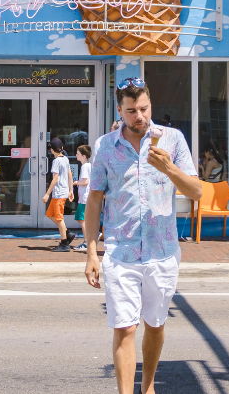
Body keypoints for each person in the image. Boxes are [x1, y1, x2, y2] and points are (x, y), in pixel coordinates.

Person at [84, 78, 202, 394]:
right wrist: (92, 252)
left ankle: (147, 386)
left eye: (145, 108)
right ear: (120, 111)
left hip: (162, 252)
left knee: (155, 325)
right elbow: (95, 199)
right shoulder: (105, 146)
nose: (140, 116)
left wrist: (169, 169)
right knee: (124, 328)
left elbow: (196, 191)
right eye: (132, 110)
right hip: (121, 253)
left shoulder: (172, 140)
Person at [42, 138, 75, 252]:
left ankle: (64, 242)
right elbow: (70, 175)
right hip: (63, 192)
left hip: (59, 193)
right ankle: (67, 233)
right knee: (49, 214)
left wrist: (47, 194)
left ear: (51, 150)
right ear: (61, 148)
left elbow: (55, 179)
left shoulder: (56, 162)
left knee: (59, 218)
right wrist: (71, 190)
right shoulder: (65, 159)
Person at [72, 144, 92, 252]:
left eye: (78, 154)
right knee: (83, 218)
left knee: (81, 218)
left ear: (83, 156)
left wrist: (76, 183)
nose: (76, 156)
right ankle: (88, 239)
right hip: (85, 196)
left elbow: (86, 181)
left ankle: (86, 241)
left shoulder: (85, 167)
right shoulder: (88, 165)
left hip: (84, 197)